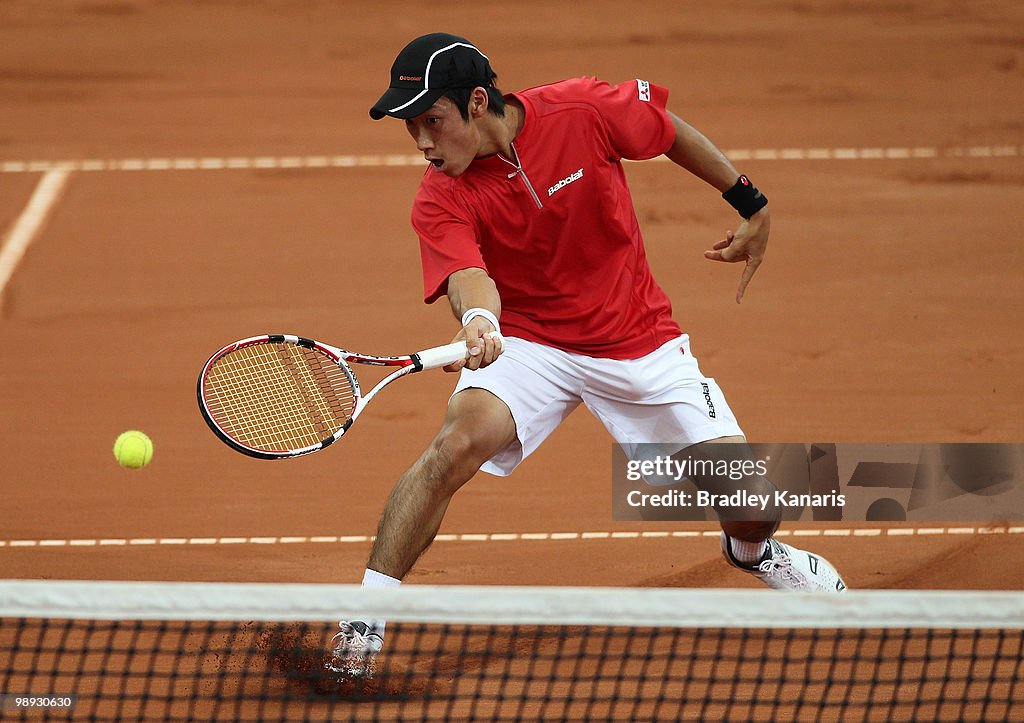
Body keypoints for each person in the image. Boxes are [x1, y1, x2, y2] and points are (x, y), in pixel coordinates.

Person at [326, 32, 846, 678]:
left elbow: (665, 129)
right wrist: (482, 319)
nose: (425, 145)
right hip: (530, 342)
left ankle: (751, 551)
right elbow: (467, 277)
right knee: (452, 447)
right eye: (412, 130)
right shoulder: (440, 193)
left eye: (432, 122)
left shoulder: (582, 110)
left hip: (636, 335)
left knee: (755, 504)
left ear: (478, 102)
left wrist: (749, 201)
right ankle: (362, 626)